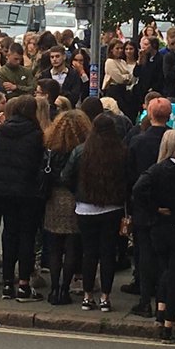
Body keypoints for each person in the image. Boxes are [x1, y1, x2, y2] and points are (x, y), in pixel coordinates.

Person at [131, 129, 175, 343]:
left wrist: (154, 208)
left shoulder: (157, 170)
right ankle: (168, 324)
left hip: (160, 228)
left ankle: (161, 311)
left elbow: (137, 189)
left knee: (164, 271)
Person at [62, 113, 128, 312]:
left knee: (89, 253)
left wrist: (78, 192)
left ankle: (87, 296)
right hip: (112, 207)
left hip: (85, 208)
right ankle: (106, 298)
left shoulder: (81, 151)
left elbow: (66, 176)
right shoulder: (122, 151)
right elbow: (128, 179)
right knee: (108, 253)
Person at [0, 95, 45, 302]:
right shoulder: (36, 134)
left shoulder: (3, 132)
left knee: (9, 233)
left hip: (4, 190)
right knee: (27, 236)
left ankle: (7, 283)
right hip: (28, 191)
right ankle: (23, 284)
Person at [125, 97, 171, 314]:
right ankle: (165, 298)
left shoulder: (138, 141)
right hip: (168, 205)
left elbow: (130, 174)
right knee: (164, 255)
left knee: (143, 252)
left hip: (143, 204)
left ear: (150, 115)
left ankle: (145, 300)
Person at [42, 109, 89, 305]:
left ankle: (54, 288)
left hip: (53, 198)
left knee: (54, 247)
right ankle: (65, 288)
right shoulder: (82, 149)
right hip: (74, 198)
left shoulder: (50, 146)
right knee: (72, 247)